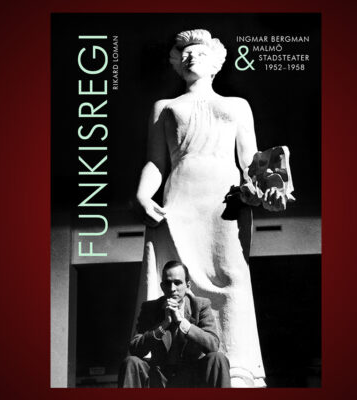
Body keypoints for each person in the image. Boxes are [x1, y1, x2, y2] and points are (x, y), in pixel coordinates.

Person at [134, 29, 287, 387]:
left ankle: (238, 368)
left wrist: (270, 188)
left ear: (216, 63)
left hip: (226, 201)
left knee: (232, 277)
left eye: (199, 53)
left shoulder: (237, 105)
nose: (191, 58)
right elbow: (156, 162)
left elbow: (251, 161)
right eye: (185, 54)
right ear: (177, 63)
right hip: (179, 201)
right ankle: (170, 366)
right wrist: (143, 195)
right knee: (172, 281)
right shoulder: (164, 107)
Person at [119, 261, 231, 388]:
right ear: (162, 287)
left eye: (177, 283)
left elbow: (213, 345)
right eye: (168, 283)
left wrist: (182, 323)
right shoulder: (150, 308)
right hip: (160, 377)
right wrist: (163, 326)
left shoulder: (200, 306)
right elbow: (135, 348)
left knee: (218, 358)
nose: (172, 289)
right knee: (131, 362)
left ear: (187, 286)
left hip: (191, 377)